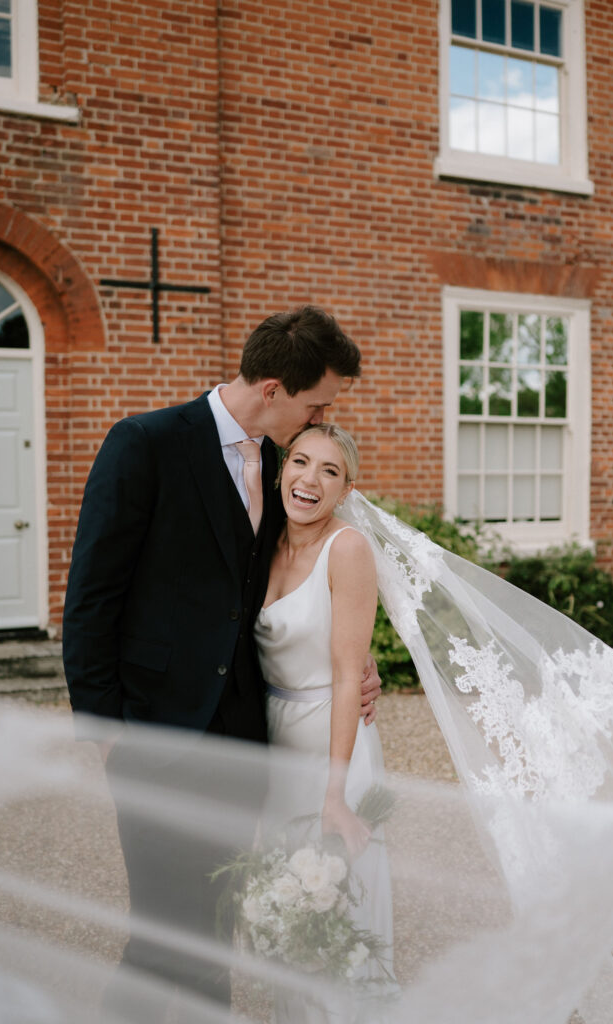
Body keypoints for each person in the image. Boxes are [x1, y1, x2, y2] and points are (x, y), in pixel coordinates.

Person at [61, 306, 382, 1013]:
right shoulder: (144, 442)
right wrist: (105, 729)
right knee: (161, 926)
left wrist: (351, 661)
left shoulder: (278, 463)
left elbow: (272, 589)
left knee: (215, 920)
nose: (318, 416)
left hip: (243, 736)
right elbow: (90, 595)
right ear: (273, 389)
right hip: (154, 730)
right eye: (315, 401)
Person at [253, 423, 394, 1022]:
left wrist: (335, 794)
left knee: (337, 919)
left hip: (333, 742)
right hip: (273, 743)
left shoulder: (349, 550)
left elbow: (345, 676)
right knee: (283, 915)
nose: (309, 480)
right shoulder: (259, 542)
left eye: (329, 471)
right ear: (282, 468)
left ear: (345, 490)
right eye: (301, 462)